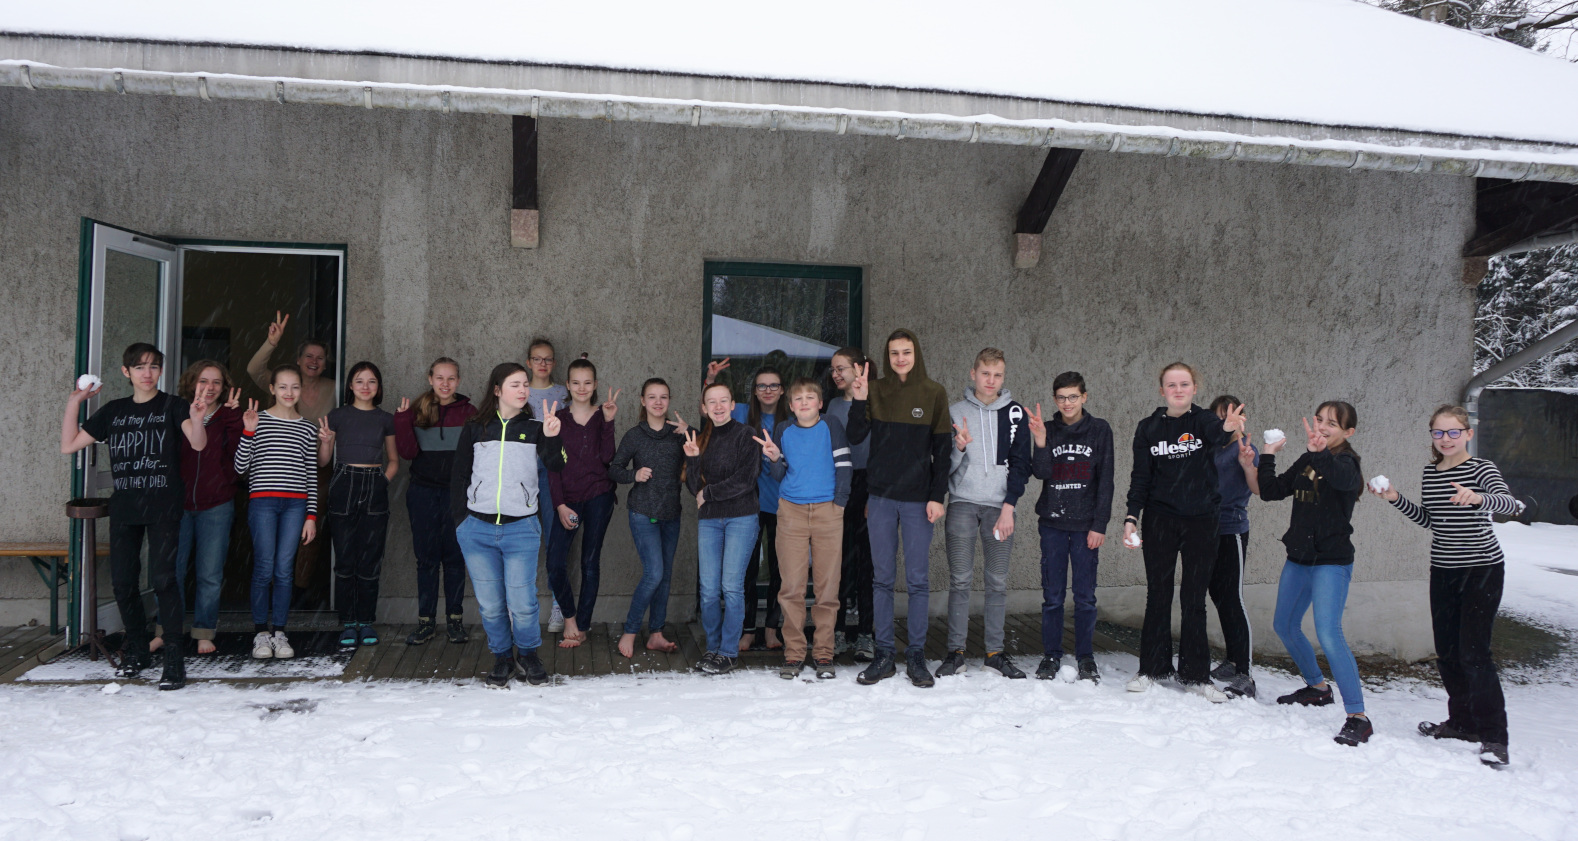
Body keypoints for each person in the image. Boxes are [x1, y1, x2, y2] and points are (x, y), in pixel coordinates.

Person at [1372, 404, 1522, 767]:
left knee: (1475, 653)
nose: (1445, 439)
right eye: (1438, 432)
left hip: (1481, 568)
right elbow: (1429, 520)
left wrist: (1478, 498)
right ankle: (1462, 723)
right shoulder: (1431, 471)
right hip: (1443, 569)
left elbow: (1511, 505)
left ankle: (1493, 737)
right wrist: (1394, 498)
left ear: (1468, 434)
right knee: (1448, 652)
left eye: (1453, 432)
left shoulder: (1481, 468)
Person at [61, 343, 209, 690]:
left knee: (163, 580)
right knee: (124, 583)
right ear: (126, 372)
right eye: (140, 367)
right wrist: (73, 403)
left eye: (154, 367)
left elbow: (198, 444)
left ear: (161, 371)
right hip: (125, 509)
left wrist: (199, 419)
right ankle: (138, 651)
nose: (147, 373)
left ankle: (173, 660)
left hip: (164, 506)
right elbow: (69, 445)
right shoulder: (113, 412)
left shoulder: (173, 405)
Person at [1121, 362, 1244, 702]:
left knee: (1194, 598)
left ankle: (1196, 675)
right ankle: (1152, 668)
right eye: (1171, 385)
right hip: (1160, 520)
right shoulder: (1148, 428)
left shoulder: (1203, 420)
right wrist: (1131, 517)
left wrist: (1229, 428)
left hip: (1202, 521)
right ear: (1162, 390)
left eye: (1184, 384)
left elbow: (1219, 434)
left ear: (1194, 388)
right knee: (1157, 595)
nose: (1178, 390)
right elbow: (1140, 478)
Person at [1257, 404, 1370, 746]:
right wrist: (1266, 455)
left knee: (1329, 633)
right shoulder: (1309, 459)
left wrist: (1318, 452)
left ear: (1348, 432)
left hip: (1331, 562)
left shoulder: (1348, 464)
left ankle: (1358, 717)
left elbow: (1339, 477)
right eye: (1319, 420)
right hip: (1299, 559)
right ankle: (1318, 688)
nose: (1321, 427)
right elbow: (1271, 490)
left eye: (1331, 424)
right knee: (1285, 626)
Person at [844, 328, 952, 688]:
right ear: (887, 357)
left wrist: (938, 496)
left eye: (906, 352)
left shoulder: (934, 393)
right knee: (882, 579)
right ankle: (885, 654)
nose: (900, 358)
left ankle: (917, 656)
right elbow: (855, 436)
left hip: (920, 500)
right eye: (894, 353)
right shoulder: (876, 390)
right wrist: (859, 400)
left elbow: (943, 450)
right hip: (881, 498)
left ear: (916, 353)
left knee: (918, 581)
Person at [450, 364, 564, 687]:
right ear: (497, 389)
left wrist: (553, 438)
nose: (523, 390)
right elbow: (458, 475)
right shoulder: (475, 428)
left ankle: (528, 654)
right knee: (491, 604)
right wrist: (461, 522)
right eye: (515, 384)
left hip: (521, 529)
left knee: (523, 603)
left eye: (526, 384)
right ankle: (502, 657)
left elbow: (557, 465)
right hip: (477, 530)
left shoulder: (535, 427)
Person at [938, 348, 1033, 679]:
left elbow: (1022, 465)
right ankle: (956, 652)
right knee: (960, 579)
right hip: (962, 502)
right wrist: (959, 447)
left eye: (998, 375)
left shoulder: (1016, 414)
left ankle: (995, 652)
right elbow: (944, 467)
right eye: (985, 374)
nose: (991, 381)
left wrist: (1010, 507)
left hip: (1000, 509)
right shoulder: (954, 411)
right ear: (972, 373)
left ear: (1003, 377)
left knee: (996, 581)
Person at [762, 377, 853, 680]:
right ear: (790, 406)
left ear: (820, 403)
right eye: (798, 399)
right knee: (792, 588)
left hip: (828, 510)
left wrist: (839, 503)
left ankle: (824, 653)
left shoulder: (831, 425)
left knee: (828, 587)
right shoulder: (783, 430)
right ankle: (794, 654)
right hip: (792, 512)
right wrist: (774, 458)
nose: (804, 403)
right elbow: (778, 473)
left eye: (809, 398)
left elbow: (844, 465)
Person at [1028, 371, 1114, 683]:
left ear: (1084, 397)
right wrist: (1039, 441)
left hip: (1085, 526)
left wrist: (1099, 524)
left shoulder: (1100, 430)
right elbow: (1041, 472)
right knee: (1052, 595)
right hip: (1052, 523)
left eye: (1073, 397)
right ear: (1055, 399)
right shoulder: (1047, 429)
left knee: (1085, 596)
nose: (1068, 403)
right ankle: (1051, 655)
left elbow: (1106, 481)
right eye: (1062, 397)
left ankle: (1085, 657)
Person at [154, 361, 243, 656]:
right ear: (192, 382)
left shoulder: (229, 416)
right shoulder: (177, 410)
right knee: (171, 571)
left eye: (217, 382)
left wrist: (231, 419)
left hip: (216, 505)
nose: (210, 387)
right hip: (176, 505)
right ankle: (167, 631)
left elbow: (239, 459)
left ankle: (204, 631)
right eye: (204, 380)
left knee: (210, 573)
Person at [232, 365, 318, 662]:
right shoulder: (260, 421)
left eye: (295, 387)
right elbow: (240, 467)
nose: (289, 393)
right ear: (271, 389)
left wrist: (311, 515)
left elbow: (311, 473)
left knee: (284, 570)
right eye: (282, 387)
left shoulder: (308, 427)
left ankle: (280, 631)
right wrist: (248, 431)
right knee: (264, 568)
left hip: (296, 505)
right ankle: (260, 633)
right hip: (263, 503)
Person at [685, 381, 763, 675]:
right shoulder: (700, 439)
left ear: (733, 405)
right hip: (709, 521)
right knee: (708, 589)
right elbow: (694, 488)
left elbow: (746, 479)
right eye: (711, 402)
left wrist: (710, 494)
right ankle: (713, 647)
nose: (718, 407)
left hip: (741, 518)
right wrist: (692, 459)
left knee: (731, 587)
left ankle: (728, 652)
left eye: (723, 401)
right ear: (704, 408)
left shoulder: (747, 435)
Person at [394, 357, 474, 646]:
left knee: (454, 559)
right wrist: (402, 421)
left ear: (458, 381)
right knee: (426, 560)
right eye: (439, 377)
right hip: (423, 494)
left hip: (457, 496)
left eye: (451, 378)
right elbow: (406, 453)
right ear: (430, 379)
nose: (445, 383)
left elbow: (476, 458)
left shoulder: (469, 413)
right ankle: (426, 622)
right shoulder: (417, 410)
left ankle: (455, 622)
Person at [319, 361, 398, 648]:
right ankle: (348, 622)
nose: (366, 386)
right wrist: (326, 443)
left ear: (378, 387)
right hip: (343, 481)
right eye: (359, 381)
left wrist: (382, 483)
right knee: (345, 560)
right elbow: (324, 462)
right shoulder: (337, 415)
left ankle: (366, 621)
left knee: (370, 560)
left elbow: (394, 461)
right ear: (350, 385)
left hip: (374, 484)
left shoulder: (385, 418)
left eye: (372, 381)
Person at [608, 378, 689, 659]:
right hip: (643, 513)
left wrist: (689, 430)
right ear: (642, 401)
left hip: (671, 514)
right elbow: (614, 469)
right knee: (654, 573)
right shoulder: (635, 435)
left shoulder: (678, 433)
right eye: (652, 397)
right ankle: (631, 630)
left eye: (663, 397)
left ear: (669, 401)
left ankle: (656, 633)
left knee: (664, 576)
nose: (658, 402)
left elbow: (704, 447)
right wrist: (634, 475)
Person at [545, 358, 619, 648]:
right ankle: (570, 618)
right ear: (568, 384)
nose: (582, 388)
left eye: (588, 382)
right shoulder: (559, 419)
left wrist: (610, 422)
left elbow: (606, 458)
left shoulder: (602, 416)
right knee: (555, 562)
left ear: (596, 385)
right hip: (569, 501)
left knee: (590, 562)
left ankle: (583, 626)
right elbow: (553, 466)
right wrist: (560, 505)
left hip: (599, 497)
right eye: (576, 382)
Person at [1206, 395, 1260, 699]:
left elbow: (1258, 489)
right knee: (1218, 596)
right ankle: (1231, 660)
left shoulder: (1246, 450)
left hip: (1231, 530)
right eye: (1222, 417)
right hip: (1206, 531)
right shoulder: (1210, 448)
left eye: (1235, 416)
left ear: (1243, 419)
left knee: (1233, 598)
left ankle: (1245, 673)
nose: (1228, 422)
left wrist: (1249, 463)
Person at [734, 367, 791, 652]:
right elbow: (710, 408)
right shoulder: (743, 414)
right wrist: (708, 380)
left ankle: (771, 629)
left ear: (782, 390)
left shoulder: (792, 421)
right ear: (754, 391)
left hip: (783, 505)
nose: (767, 390)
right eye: (761, 386)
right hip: (750, 504)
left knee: (780, 571)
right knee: (748, 570)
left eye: (773, 385)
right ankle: (747, 629)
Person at [826, 348, 875, 662]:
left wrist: (875, 494)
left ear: (860, 369)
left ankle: (867, 634)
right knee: (840, 562)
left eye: (840, 368)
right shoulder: (831, 404)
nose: (835, 374)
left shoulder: (876, 401)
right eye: (832, 369)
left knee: (868, 565)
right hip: (839, 485)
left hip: (871, 485)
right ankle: (840, 631)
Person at [526, 338, 571, 633]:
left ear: (554, 363)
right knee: (525, 540)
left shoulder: (563, 393)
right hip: (525, 472)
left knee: (554, 540)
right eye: (537, 359)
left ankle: (559, 605)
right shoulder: (519, 390)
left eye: (548, 359)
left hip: (554, 471)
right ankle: (523, 607)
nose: (543, 364)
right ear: (528, 362)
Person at [246, 311, 335, 421]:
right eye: (309, 356)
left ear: (325, 364)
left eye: (320, 358)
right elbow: (254, 370)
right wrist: (271, 343)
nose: (314, 361)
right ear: (298, 360)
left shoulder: (334, 388)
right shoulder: (283, 384)